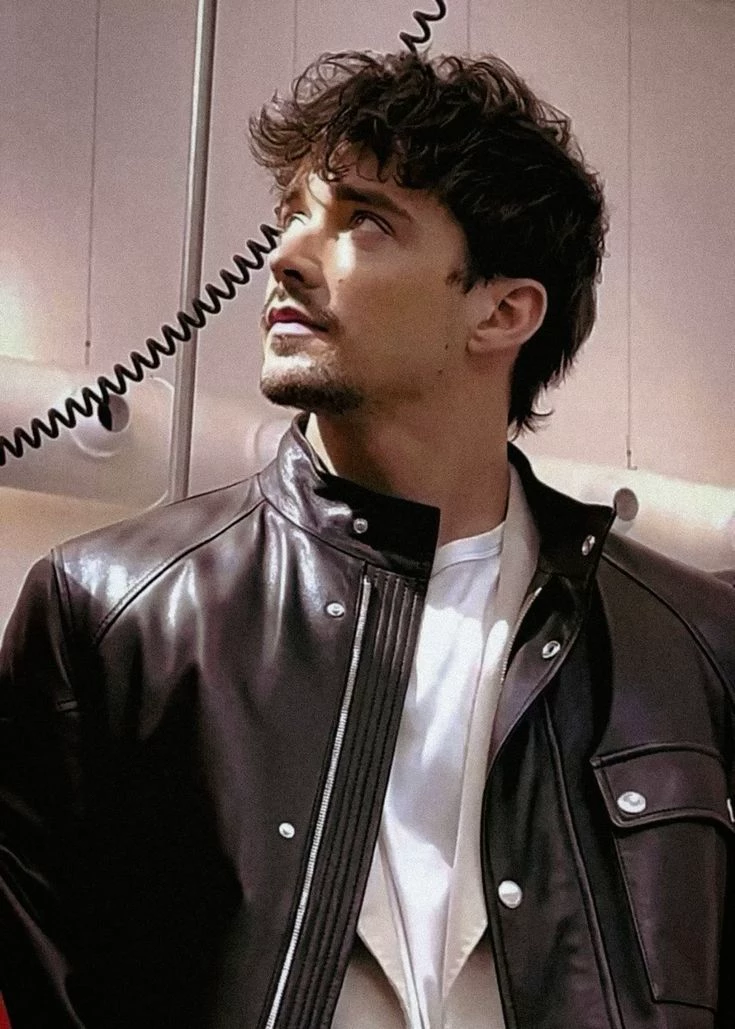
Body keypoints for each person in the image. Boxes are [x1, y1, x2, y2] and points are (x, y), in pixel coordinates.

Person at [1, 48, 733, 1029]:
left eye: (364, 222)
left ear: (502, 310)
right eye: (292, 215)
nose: (285, 257)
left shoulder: (691, 646)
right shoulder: (109, 614)